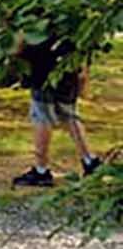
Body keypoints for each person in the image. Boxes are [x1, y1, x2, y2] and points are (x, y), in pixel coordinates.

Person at [12, 34, 101, 188]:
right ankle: (89, 160)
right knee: (70, 116)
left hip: (43, 72)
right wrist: (82, 73)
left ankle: (41, 170)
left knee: (42, 118)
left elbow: (21, 45)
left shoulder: (36, 18)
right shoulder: (69, 20)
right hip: (66, 71)